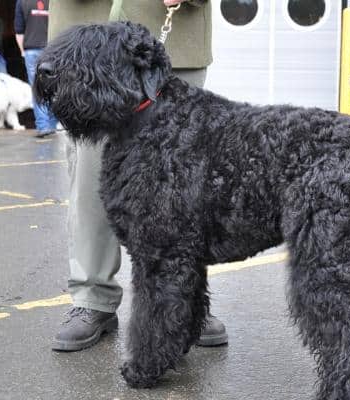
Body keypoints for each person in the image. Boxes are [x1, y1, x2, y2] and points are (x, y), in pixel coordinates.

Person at [49, 0, 228, 352]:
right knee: (91, 179)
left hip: (174, 36)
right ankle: (93, 296)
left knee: (182, 183)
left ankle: (186, 300)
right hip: (84, 39)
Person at [14, 0, 58, 137]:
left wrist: (22, 50)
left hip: (31, 49)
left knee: (37, 88)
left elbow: (19, 30)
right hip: (52, 49)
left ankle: (43, 126)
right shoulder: (53, 2)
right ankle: (53, 125)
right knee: (55, 87)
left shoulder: (22, 1)